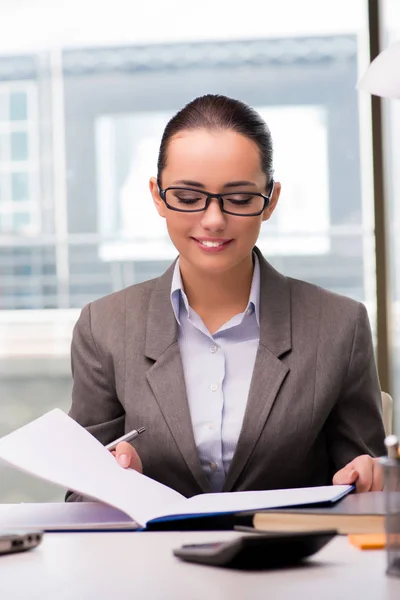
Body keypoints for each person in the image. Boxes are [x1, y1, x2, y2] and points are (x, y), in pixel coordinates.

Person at [67, 94, 385, 503]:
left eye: (238, 199)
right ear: (157, 195)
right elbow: (78, 496)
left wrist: (370, 476)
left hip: (289, 560)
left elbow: (369, 484)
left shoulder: (340, 325)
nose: (213, 220)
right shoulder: (104, 327)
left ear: (270, 200)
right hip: (149, 563)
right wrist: (117, 479)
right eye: (187, 197)